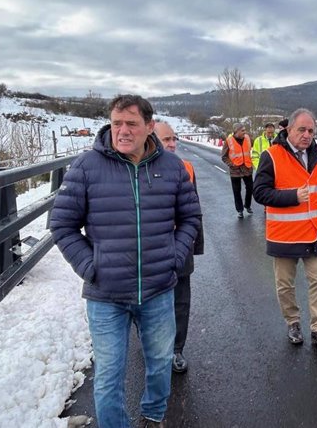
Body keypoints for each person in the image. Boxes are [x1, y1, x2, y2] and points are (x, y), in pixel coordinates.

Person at [50, 95, 202, 428]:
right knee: (107, 376)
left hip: (159, 289)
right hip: (106, 296)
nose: (122, 131)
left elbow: (191, 217)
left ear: (149, 127)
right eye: (117, 123)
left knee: (161, 364)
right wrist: (91, 267)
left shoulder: (172, 168)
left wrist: (175, 257)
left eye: (131, 124)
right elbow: (61, 224)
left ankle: (153, 415)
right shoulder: (87, 167)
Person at [253, 108, 317, 353]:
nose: (307, 135)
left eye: (311, 130)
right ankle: (293, 322)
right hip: (285, 234)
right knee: (285, 285)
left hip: (314, 231)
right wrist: (292, 196)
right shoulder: (272, 155)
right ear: (289, 129)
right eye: (302, 130)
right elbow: (259, 192)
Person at [153, 121, 204, 373]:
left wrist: (195, 246)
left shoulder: (186, 168)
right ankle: (152, 346)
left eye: (174, 139)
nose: (172, 144)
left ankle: (176, 349)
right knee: (150, 303)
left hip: (179, 247)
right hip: (148, 250)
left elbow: (193, 211)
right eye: (166, 140)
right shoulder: (135, 168)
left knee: (180, 301)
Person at [221, 123, 254, 218]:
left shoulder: (248, 138)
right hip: (235, 170)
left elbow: (255, 146)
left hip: (247, 168)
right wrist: (231, 164)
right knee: (237, 191)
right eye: (242, 130)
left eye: (245, 130)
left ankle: (247, 205)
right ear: (236, 131)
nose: (245, 132)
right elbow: (224, 156)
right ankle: (240, 210)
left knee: (250, 188)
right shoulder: (229, 141)